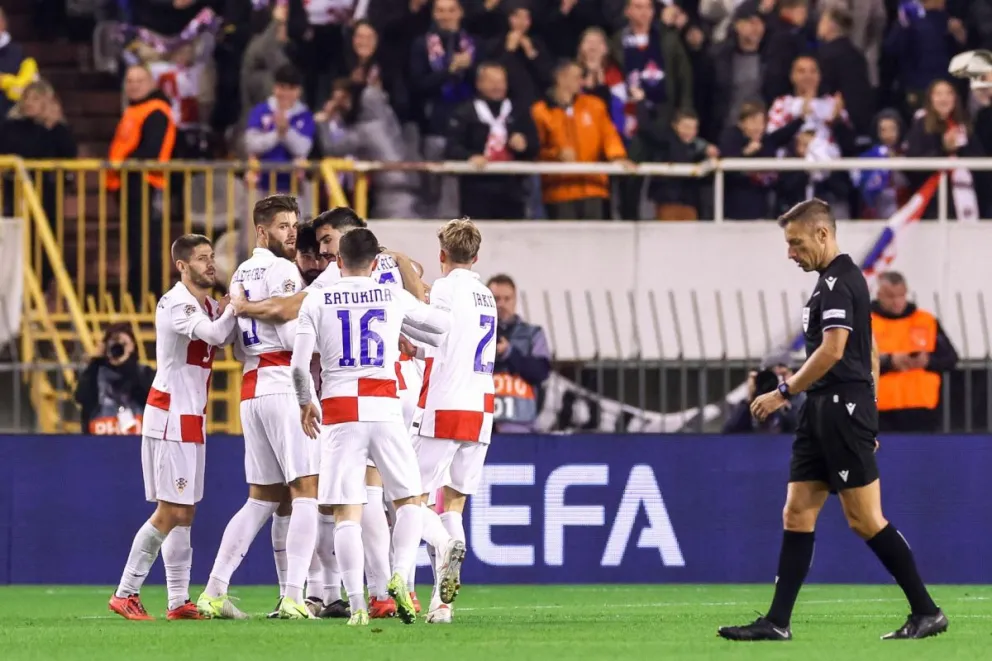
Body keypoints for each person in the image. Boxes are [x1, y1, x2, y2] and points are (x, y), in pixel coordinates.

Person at [719, 199, 947, 641]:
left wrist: (784, 392)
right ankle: (778, 622)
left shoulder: (841, 281)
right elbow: (873, 349)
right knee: (797, 512)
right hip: (824, 412)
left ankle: (926, 611)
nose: (790, 253)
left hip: (840, 410)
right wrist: (872, 408)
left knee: (865, 519)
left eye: (795, 242)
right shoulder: (829, 283)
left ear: (823, 235)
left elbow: (834, 350)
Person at [230, 206, 426, 618]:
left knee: (342, 504)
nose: (318, 256)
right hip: (392, 387)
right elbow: (425, 303)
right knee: (395, 498)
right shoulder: (390, 268)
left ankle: (361, 594)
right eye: (312, 248)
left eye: (324, 244)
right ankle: (382, 584)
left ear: (344, 242)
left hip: (343, 399)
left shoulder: (328, 286)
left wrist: (245, 309)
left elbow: (288, 315)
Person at [289, 227, 450, 626]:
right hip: (384, 406)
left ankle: (359, 606)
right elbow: (440, 327)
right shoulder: (390, 293)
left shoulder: (318, 297)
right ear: (375, 263)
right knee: (410, 500)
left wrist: (305, 402)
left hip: (340, 410)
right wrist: (406, 324)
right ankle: (400, 573)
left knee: (347, 512)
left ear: (337, 261)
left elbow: (297, 366)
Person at [197, 194, 319, 621]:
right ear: (262, 230)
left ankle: (213, 590)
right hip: (285, 385)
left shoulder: (241, 275)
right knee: (308, 492)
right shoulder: (284, 269)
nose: (292, 232)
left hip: (252, 388)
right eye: (284, 225)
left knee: (263, 499)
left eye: (294, 224)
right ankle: (293, 596)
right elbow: (290, 332)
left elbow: (231, 341)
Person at [108, 234, 237, 621]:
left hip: (191, 416)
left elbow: (227, 336)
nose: (210, 264)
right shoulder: (175, 301)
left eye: (211, 257)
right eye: (201, 258)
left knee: (186, 512)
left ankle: (178, 601)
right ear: (182, 266)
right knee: (171, 509)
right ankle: (125, 591)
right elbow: (216, 334)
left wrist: (232, 310)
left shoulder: (208, 304)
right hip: (169, 417)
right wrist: (237, 307)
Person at [407, 218, 494, 624]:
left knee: (412, 499)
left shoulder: (444, 287)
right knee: (453, 504)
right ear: (476, 256)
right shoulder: (487, 294)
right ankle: (442, 607)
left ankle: (442, 546)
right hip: (481, 410)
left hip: (445, 404)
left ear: (442, 255)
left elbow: (436, 333)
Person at [871, 271, 958, 433]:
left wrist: (928, 362)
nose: (897, 302)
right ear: (879, 294)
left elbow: (951, 359)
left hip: (922, 410)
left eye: (901, 295)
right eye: (891, 296)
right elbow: (851, 363)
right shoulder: (865, 322)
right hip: (879, 412)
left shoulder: (926, 321)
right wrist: (889, 362)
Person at [486, 273, 551, 433]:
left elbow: (541, 371)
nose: (501, 304)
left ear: (515, 299)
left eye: (507, 299)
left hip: (519, 426)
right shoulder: (477, 332)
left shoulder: (532, 334)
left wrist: (509, 353)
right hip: (483, 424)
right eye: (496, 299)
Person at [75, 323, 155, 435]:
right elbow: (81, 396)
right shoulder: (94, 374)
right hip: (100, 444)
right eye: (113, 344)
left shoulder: (143, 373)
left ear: (133, 346)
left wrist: (128, 363)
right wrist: (95, 362)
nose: (118, 348)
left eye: (124, 344)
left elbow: (152, 398)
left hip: (137, 443)